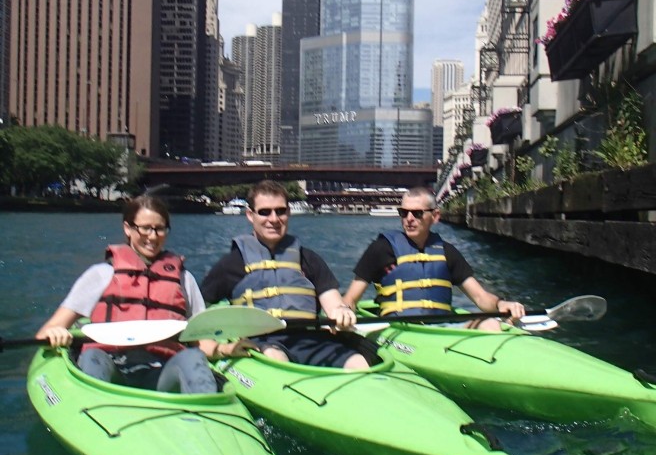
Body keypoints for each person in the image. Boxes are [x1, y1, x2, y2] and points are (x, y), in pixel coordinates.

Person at [36, 194, 249, 392]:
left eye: (160, 229)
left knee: (193, 358)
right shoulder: (101, 275)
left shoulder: (184, 279)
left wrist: (226, 350)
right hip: (112, 367)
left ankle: (205, 417)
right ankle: (93, 415)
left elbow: (201, 342)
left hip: (162, 372)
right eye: (145, 228)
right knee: (92, 356)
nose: (153, 236)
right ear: (128, 229)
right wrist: (55, 333)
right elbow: (48, 330)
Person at [201, 180, 378, 370]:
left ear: (288, 213)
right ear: (250, 215)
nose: (274, 219)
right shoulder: (231, 264)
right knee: (275, 356)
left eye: (281, 211)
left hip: (310, 341)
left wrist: (341, 312)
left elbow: (333, 303)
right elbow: (197, 312)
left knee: (359, 363)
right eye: (264, 212)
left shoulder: (309, 259)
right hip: (262, 343)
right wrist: (219, 348)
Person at [343, 186, 526, 331]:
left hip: (442, 328)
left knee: (491, 324)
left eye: (417, 213)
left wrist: (502, 303)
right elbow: (350, 299)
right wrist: (343, 314)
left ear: (435, 216)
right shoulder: (381, 249)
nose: (409, 219)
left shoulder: (447, 252)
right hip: (398, 330)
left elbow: (480, 297)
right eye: (403, 213)